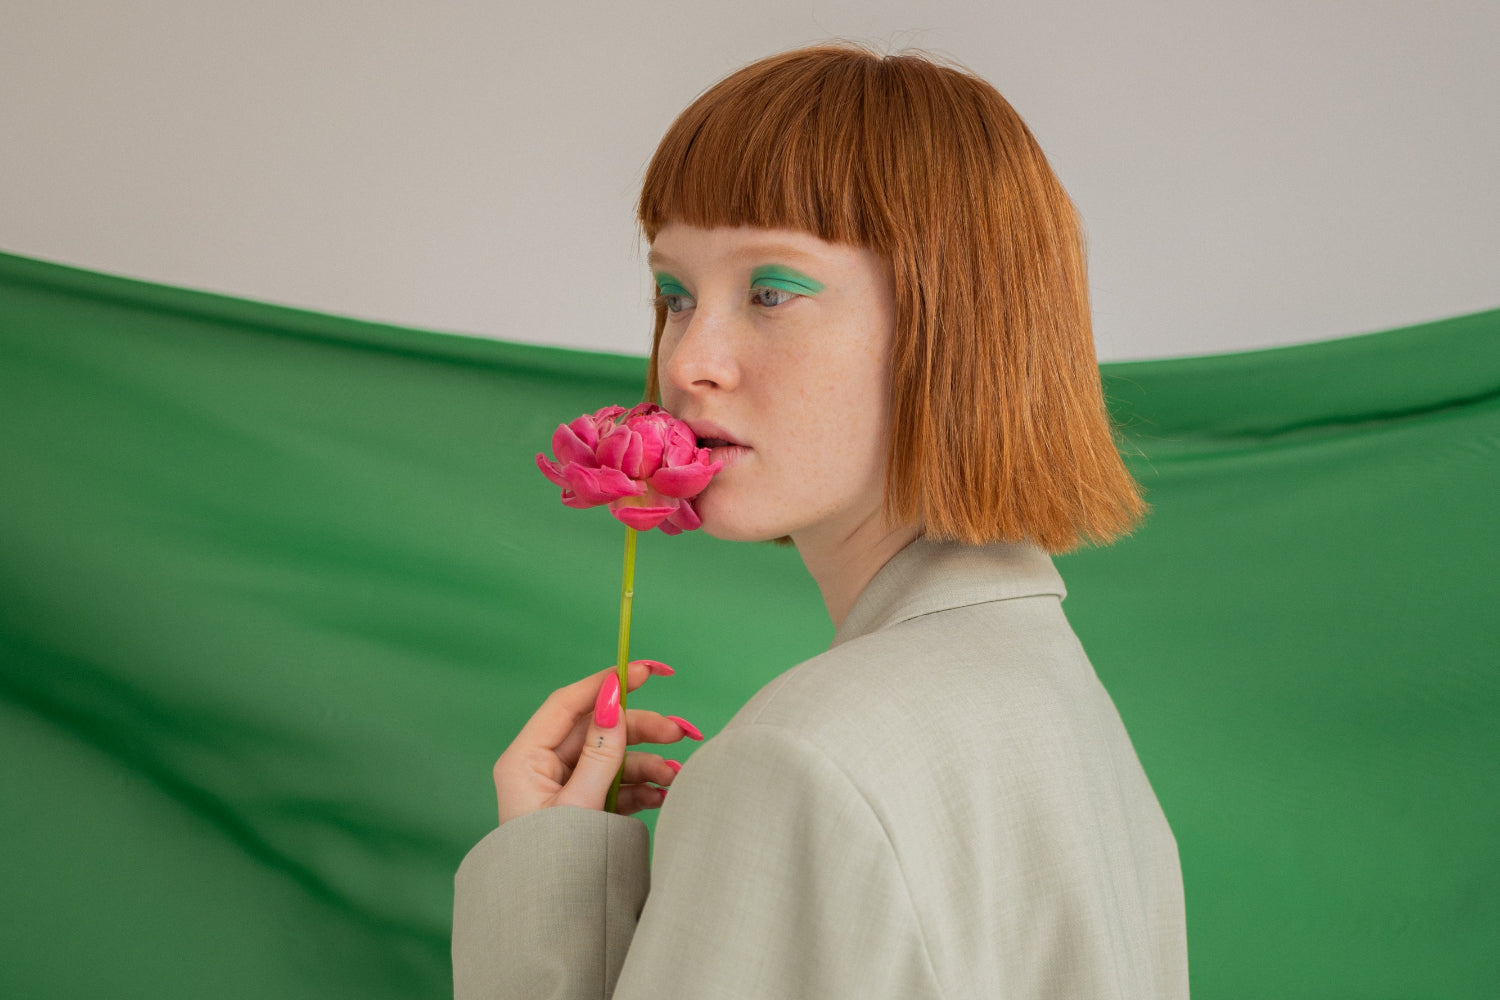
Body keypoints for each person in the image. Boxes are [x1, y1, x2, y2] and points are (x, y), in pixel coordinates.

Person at [453, 43, 1188, 999]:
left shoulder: (802, 761)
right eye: (675, 296)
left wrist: (544, 909)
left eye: (771, 292)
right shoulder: (1055, 700)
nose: (688, 364)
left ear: (953, 321)